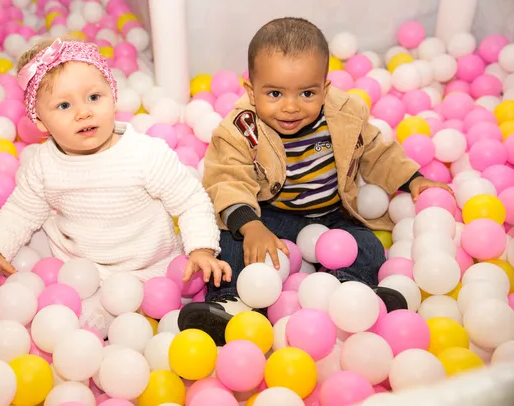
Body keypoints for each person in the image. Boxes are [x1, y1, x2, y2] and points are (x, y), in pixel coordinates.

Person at [178, 17, 453, 345]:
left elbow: (377, 152)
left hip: (332, 213)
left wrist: (412, 179)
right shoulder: (241, 128)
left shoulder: (345, 116)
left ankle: (352, 292)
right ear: (252, 92)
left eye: (307, 93)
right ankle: (230, 303)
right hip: (270, 214)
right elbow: (227, 179)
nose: (291, 107)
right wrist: (250, 226)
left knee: (367, 246)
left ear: (325, 88)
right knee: (233, 243)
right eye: (275, 93)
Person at [0, 37, 231, 301]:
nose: (84, 112)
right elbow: (21, 211)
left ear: (113, 98)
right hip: (76, 267)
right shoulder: (45, 164)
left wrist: (201, 249)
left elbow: (191, 201)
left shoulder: (145, 154)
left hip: (149, 269)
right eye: (64, 105)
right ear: (41, 122)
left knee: (109, 314)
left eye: (94, 97)